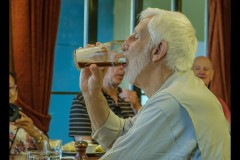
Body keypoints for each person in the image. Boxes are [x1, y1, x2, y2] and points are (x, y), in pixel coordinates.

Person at [79, 8, 230, 159]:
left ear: (158, 50)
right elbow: (120, 136)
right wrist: (91, 93)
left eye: (136, 37)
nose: (125, 44)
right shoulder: (182, 88)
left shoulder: (172, 101)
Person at [68, 64, 141, 143]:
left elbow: (145, 133)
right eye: (115, 64)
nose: (121, 68)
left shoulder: (130, 98)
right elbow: (84, 146)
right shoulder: (83, 99)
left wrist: (137, 107)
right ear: (102, 68)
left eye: (122, 63)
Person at [9, 72, 49, 154]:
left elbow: (48, 152)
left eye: (9, 87)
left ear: (16, 93)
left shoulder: (23, 122)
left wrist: (35, 134)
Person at [192, 56, 231, 124]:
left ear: (212, 74)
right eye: (197, 69)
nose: (202, 72)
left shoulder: (220, 103)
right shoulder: (182, 99)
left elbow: (227, 129)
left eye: (206, 69)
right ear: (190, 73)